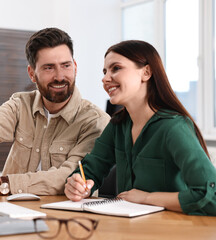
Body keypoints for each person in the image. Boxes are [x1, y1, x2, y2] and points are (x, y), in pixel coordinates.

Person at [65, 40, 216, 215]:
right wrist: (78, 184)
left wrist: (147, 198)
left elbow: (211, 196)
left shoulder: (174, 128)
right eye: (105, 71)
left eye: (116, 68)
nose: (105, 78)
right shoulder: (117, 126)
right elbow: (90, 170)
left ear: (146, 72)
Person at [0, 27, 110, 196]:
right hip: (13, 210)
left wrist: (3, 184)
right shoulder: (21, 103)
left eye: (66, 65)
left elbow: (70, 176)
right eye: (49, 68)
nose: (59, 76)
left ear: (75, 66)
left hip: (66, 217)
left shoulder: (95, 121)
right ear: (32, 73)